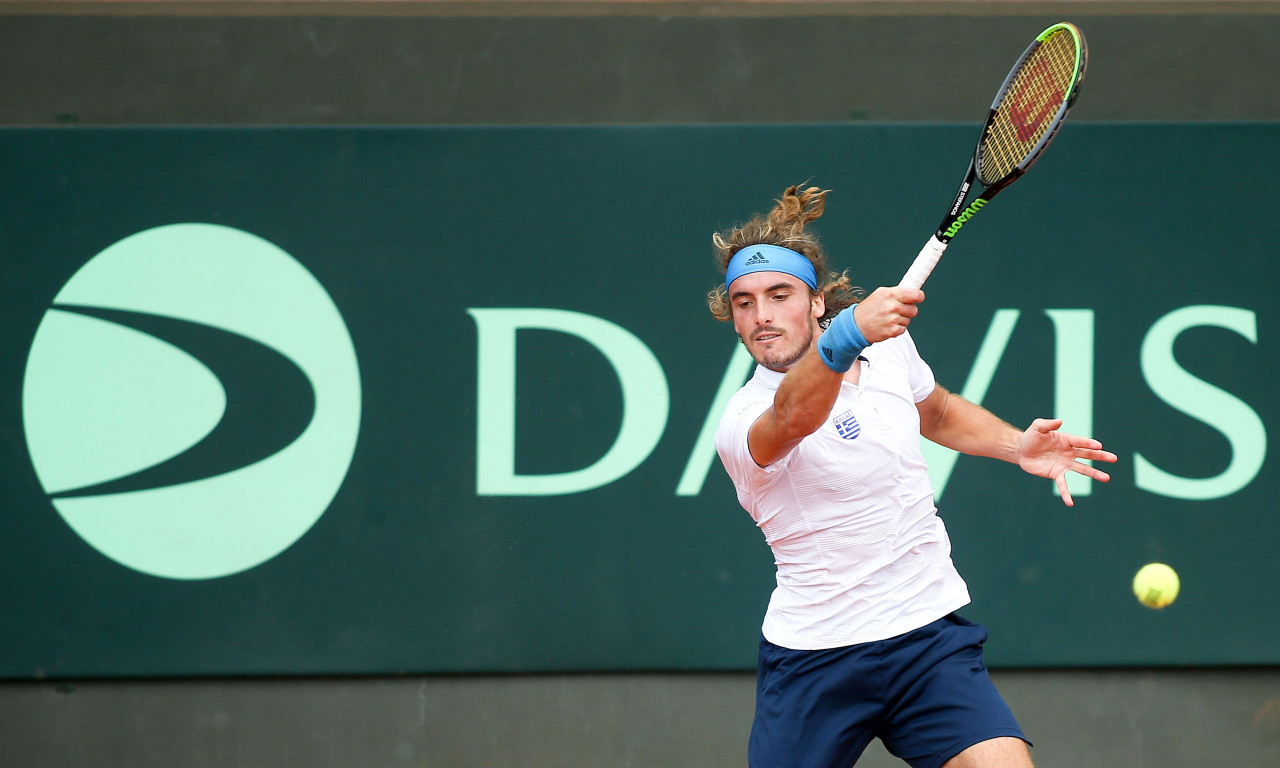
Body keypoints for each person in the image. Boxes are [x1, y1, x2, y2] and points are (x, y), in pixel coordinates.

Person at [709, 184, 1116, 768]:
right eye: (744, 303)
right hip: (816, 658)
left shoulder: (886, 351)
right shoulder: (743, 419)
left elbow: (938, 412)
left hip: (926, 638)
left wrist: (1015, 445)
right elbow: (794, 416)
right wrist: (850, 334)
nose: (762, 317)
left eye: (779, 295)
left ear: (817, 302)